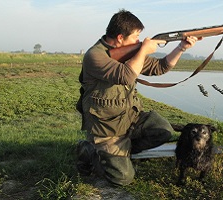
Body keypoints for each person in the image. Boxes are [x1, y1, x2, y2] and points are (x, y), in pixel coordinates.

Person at [76, 9, 199, 186]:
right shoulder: (95, 56)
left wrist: (181, 48)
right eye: (135, 37)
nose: (139, 41)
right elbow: (126, 75)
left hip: (130, 118)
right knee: (123, 178)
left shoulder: (130, 52)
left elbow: (160, 67)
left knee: (163, 130)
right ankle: (89, 150)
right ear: (120, 38)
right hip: (107, 128)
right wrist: (143, 51)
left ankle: (123, 152)